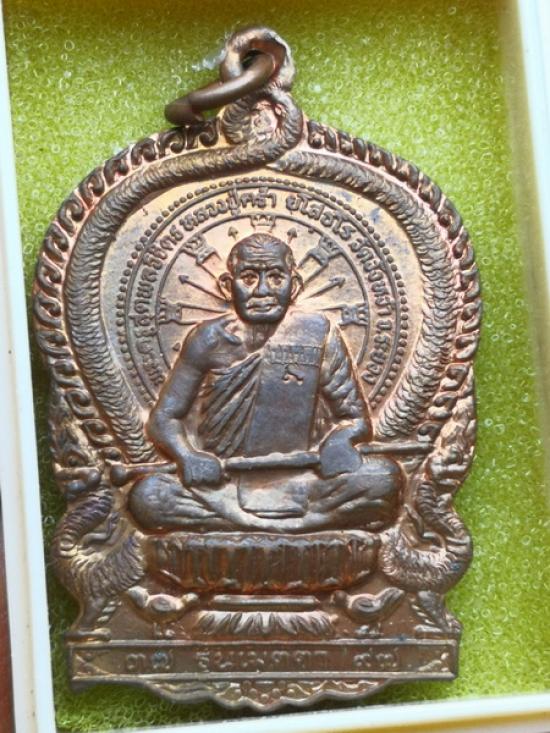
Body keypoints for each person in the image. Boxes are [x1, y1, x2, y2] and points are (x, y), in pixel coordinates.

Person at [129, 232, 402, 533]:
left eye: (275, 277)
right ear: (227, 286)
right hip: (224, 484)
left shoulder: (319, 334)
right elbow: (163, 419)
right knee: (148, 496)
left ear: (294, 286)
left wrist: (339, 441)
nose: (262, 290)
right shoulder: (208, 340)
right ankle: (302, 527)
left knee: (384, 478)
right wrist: (188, 456)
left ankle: (246, 526)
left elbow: (356, 420)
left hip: (304, 481)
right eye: (248, 277)